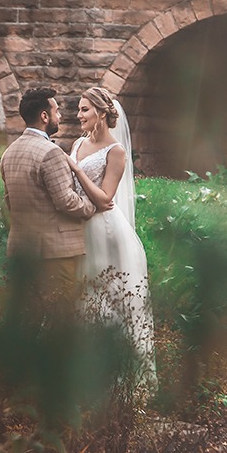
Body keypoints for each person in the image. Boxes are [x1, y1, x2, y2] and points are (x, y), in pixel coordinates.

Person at [65, 86, 156, 386]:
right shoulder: (78, 143)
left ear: (102, 113)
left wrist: (77, 172)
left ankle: (116, 378)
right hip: (77, 224)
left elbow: (105, 199)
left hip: (103, 230)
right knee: (78, 297)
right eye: (78, 109)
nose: (78, 116)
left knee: (106, 299)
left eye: (84, 110)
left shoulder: (116, 152)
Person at [0, 86, 106, 314]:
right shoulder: (51, 152)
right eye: (57, 111)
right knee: (60, 319)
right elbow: (66, 201)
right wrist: (91, 207)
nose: (60, 116)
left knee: (29, 315)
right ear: (44, 116)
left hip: (21, 250)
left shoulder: (9, 152)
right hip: (56, 253)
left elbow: (10, 201)